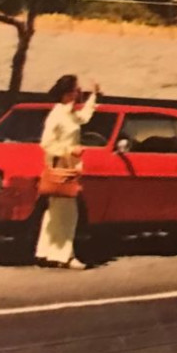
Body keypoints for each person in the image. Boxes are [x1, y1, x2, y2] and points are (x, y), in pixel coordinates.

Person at [35, 73, 100, 269]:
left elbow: (83, 118)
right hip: (62, 168)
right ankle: (66, 256)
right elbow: (46, 143)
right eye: (76, 89)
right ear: (67, 93)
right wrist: (69, 150)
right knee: (68, 214)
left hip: (68, 167)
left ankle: (47, 252)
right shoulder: (57, 115)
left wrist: (94, 96)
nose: (78, 92)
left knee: (55, 213)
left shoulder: (68, 112)